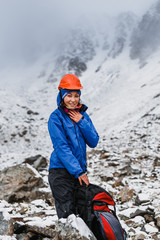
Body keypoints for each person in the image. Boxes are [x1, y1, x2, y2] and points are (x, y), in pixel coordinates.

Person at [48, 73, 99, 219]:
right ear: (62, 95)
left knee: (83, 214)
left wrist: (81, 120)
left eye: (76, 95)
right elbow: (61, 147)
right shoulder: (55, 118)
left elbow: (94, 141)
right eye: (69, 95)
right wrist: (78, 172)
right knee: (68, 216)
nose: (73, 100)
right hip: (60, 172)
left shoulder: (83, 116)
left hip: (79, 172)